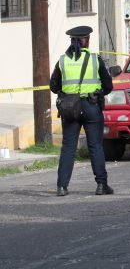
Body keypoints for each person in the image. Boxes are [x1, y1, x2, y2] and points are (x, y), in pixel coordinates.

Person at [49, 26, 114, 196]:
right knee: (95, 146)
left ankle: (62, 187)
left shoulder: (62, 61)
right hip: (91, 106)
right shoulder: (95, 59)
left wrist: (68, 92)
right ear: (86, 41)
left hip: (70, 109)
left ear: (72, 41)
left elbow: (53, 86)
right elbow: (108, 86)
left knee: (68, 147)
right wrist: (97, 90)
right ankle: (101, 185)